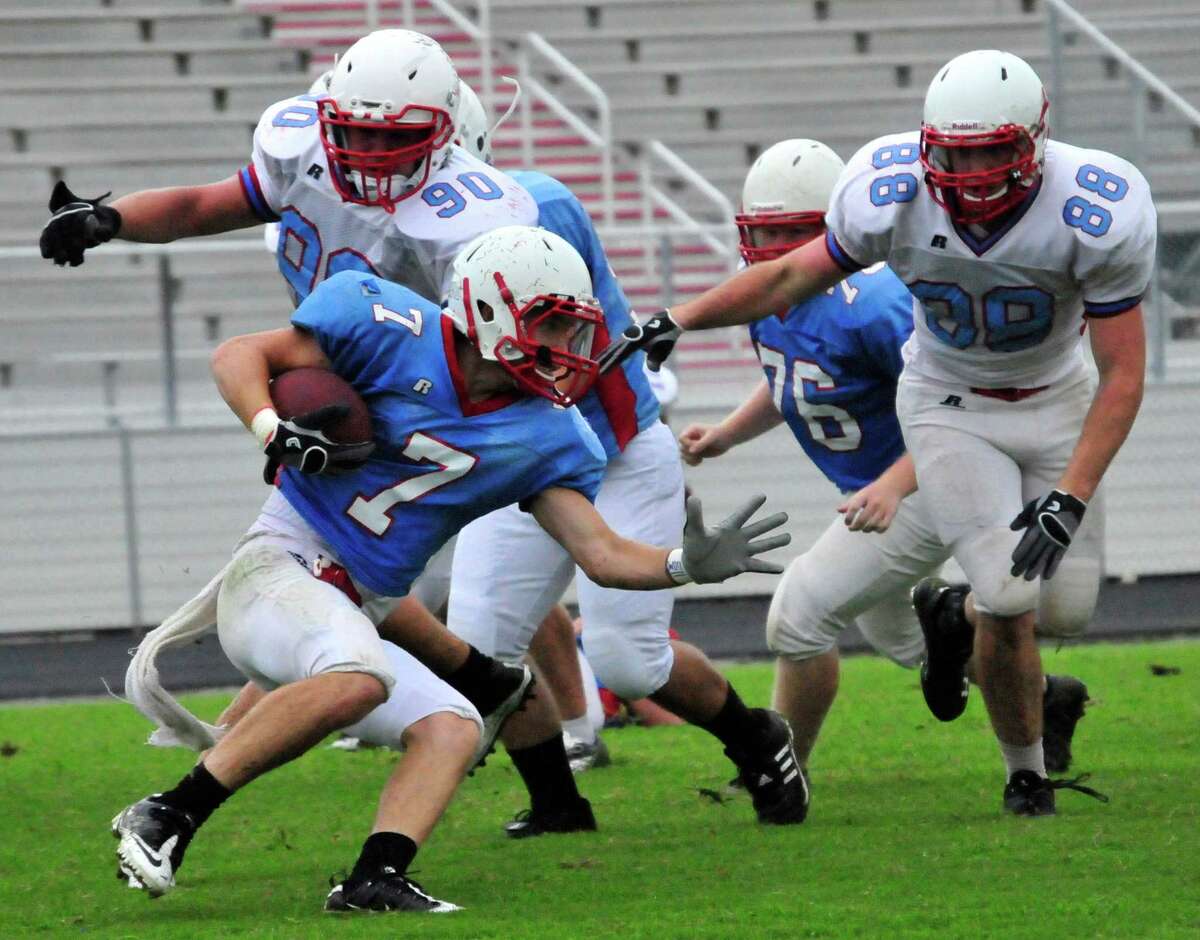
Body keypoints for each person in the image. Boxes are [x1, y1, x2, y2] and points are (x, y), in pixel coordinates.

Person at [112, 226, 790, 913]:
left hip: (361, 601)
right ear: (488, 310)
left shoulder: (550, 434)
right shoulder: (386, 325)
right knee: (357, 678)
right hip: (281, 564)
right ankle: (168, 814)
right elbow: (239, 354)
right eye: (551, 322)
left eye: (573, 325)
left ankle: (374, 880)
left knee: (451, 724)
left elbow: (603, 554)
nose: (568, 343)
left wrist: (682, 564)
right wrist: (270, 426)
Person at [601, 49, 1151, 816]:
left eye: (992, 150)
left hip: (1054, 398)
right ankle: (1021, 771)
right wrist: (681, 322)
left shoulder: (1095, 207)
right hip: (952, 401)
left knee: (1062, 611)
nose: (972, 172)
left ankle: (966, 631)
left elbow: (1123, 371)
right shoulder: (889, 194)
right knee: (998, 601)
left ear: (1034, 139)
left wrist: (1071, 493)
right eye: (955, 152)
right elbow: (790, 292)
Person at [678, 137, 1092, 801]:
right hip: (874, 494)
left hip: (930, 479)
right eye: (762, 233)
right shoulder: (768, 295)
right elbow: (798, 378)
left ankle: (779, 770)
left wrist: (896, 484)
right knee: (908, 642)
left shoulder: (874, 303)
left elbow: (954, 406)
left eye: (790, 232)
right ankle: (1043, 695)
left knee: (799, 616)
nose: (772, 248)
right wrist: (729, 433)